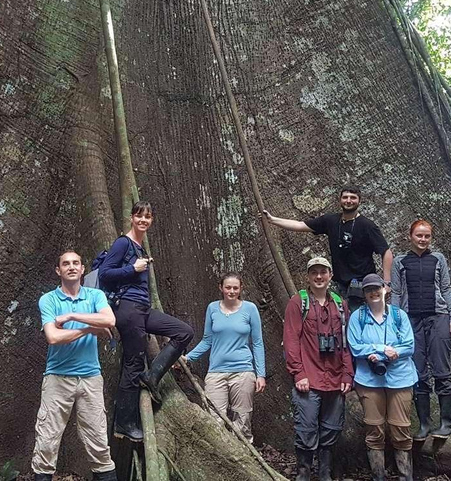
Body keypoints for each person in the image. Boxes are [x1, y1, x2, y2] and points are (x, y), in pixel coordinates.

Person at [98, 201, 194, 442]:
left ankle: (152, 376)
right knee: (133, 361)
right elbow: (104, 274)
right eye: (139, 216)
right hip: (127, 309)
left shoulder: (140, 247)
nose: (143, 220)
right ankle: (125, 424)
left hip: (143, 309)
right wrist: (132, 268)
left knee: (184, 332)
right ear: (131, 218)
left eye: (148, 217)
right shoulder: (123, 243)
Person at [31, 250, 118, 481]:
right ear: (58, 270)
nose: (71, 266)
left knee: (99, 442)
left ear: (82, 269)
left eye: (76, 263)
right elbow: (53, 337)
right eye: (66, 263)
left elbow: (109, 321)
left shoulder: (95, 295)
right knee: (47, 443)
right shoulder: (48, 299)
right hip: (57, 378)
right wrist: (90, 328)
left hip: (90, 377)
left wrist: (71, 317)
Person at [263, 186, 393, 310]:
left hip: (362, 286)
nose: (348, 201)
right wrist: (272, 219)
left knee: (359, 321)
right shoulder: (331, 220)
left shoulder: (367, 226)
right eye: (345, 197)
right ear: (340, 200)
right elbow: (301, 225)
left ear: (359, 201)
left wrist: (387, 283)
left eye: (353, 197)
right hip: (340, 284)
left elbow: (386, 252)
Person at [283, 257, 353, 481]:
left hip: (335, 379)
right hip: (308, 379)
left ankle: (325, 474)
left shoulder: (340, 304)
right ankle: (303, 473)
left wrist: (347, 374)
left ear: (330, 275)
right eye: (314, 272)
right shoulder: (298, 302)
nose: (319, 276)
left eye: (323, 272)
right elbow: (291, 339)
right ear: (308, 277)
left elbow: (346, 342)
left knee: (331, 430)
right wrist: (298, 373)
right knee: (306, 429)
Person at [391, 220, 451, 442]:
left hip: (438, 317)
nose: (422, 239)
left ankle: (446, 424)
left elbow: (447, 289)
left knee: (441, 369)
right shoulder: (400, 262)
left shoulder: (438, 259)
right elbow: (396, 294)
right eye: (419, 235)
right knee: (418, 371)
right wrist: (395, 323)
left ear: (431, 238)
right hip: (411, 321)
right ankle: (424, 425)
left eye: (427, 236)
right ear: (410, 236)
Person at [348, 274, 416, 481]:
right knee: (374, 430)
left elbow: (409, 345)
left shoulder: (398, 316)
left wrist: (393, 353)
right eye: (369, 290)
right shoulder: (357, 318)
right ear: (364, 294)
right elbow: (354, 346)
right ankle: (379, 476)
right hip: (369, 381)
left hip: (400, 378)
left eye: (376, 288)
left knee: (401, 429)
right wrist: (379, 349)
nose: (373, 293)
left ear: (385, 289)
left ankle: (406, 477)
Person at [183, 272, 266, 442]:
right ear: (221, 288)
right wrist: (187, 358)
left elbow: (257, 343)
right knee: (214, 420)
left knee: (242, 421)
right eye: (228, 287)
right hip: (216, 372)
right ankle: (221, 459)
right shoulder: (213, 308)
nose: (232, 291)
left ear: (241, 288)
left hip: (243, 371)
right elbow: (207, 340)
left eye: (235, 288)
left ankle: (244, 458)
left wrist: (261, 374)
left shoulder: (250, 309)